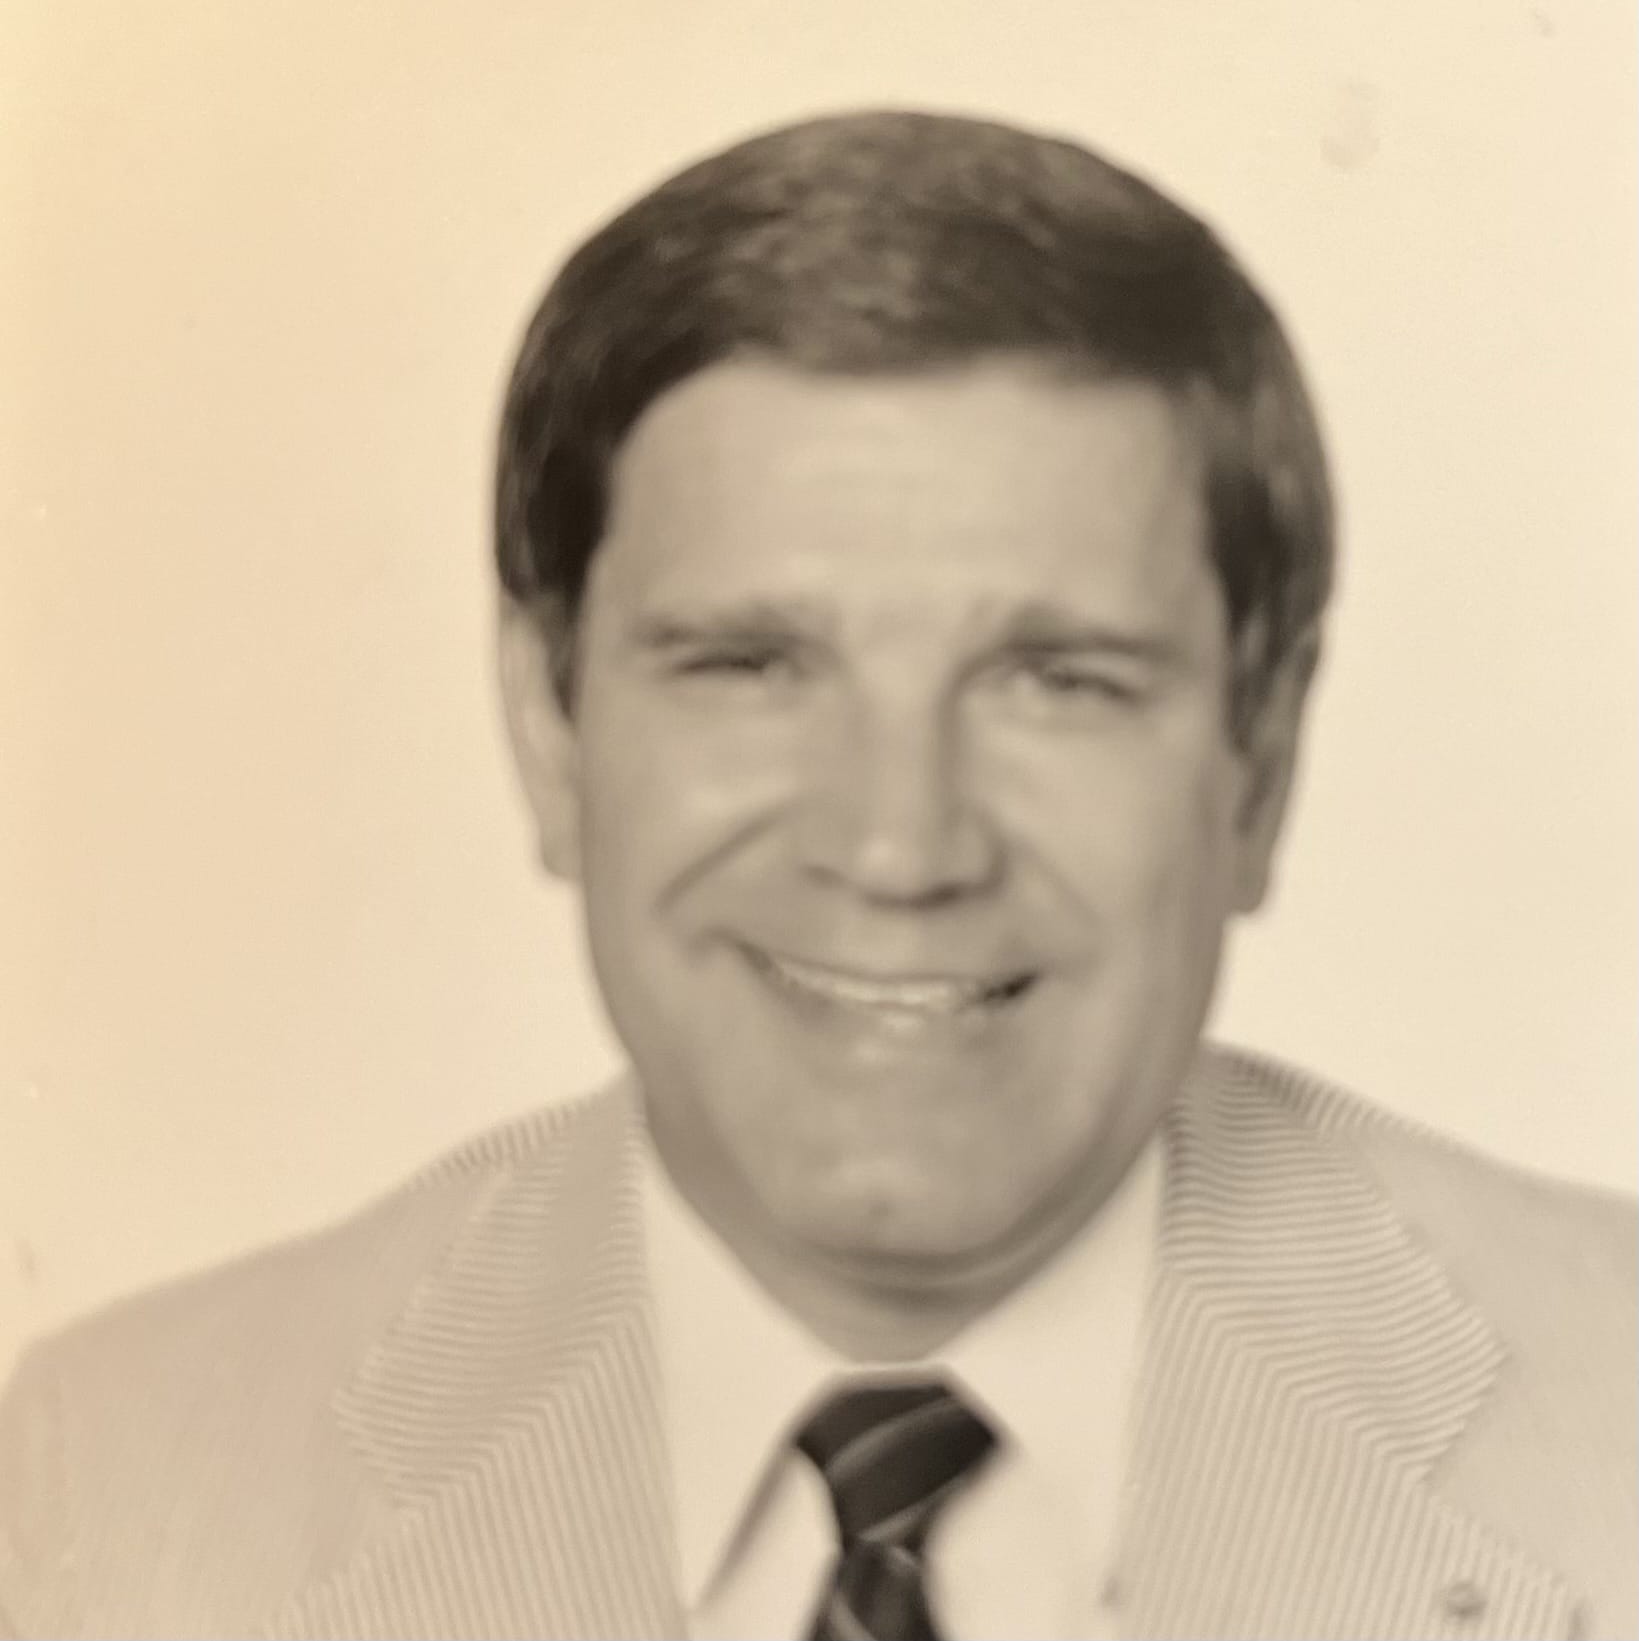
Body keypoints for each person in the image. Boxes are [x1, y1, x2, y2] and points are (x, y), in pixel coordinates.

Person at [0, 109, 1632, 1641]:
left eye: (1058, 680)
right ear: (551, 729)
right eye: (751, 665)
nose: (901, 847)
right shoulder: (106, 1489)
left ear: (1259, 756)